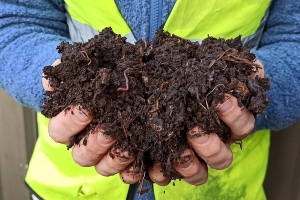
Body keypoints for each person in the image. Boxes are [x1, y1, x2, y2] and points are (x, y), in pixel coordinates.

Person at [0, 0, 299, 199]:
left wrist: (253, 90)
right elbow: (14, 19)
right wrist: (61, 83)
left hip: (222, 187)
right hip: (72, 187)